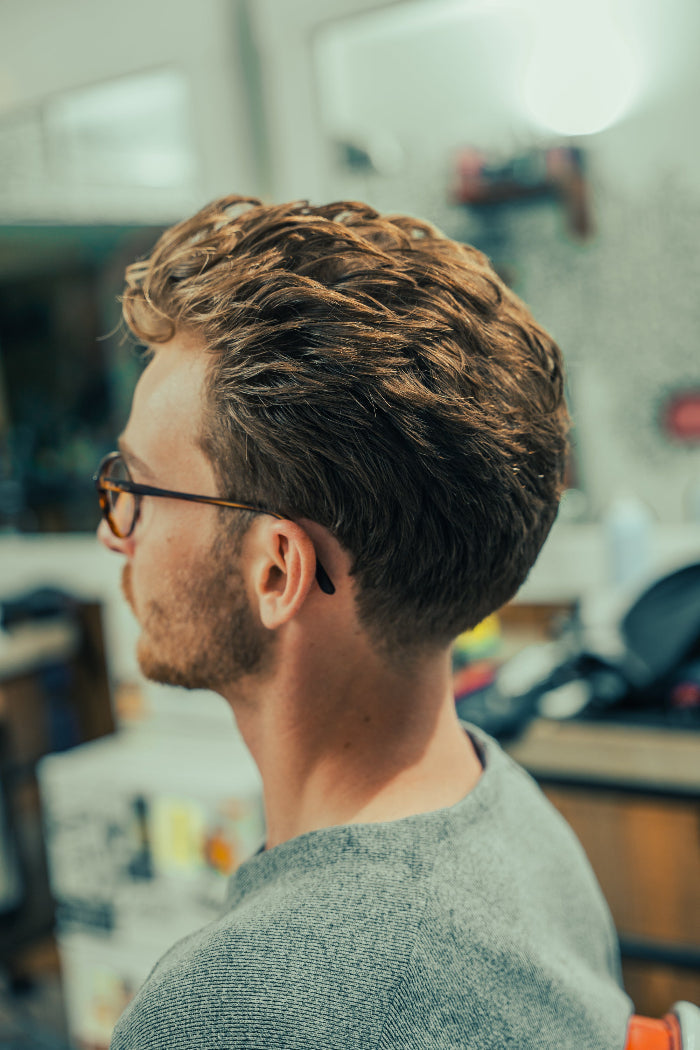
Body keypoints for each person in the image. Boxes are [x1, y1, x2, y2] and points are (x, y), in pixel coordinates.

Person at [96, 195, 632, 1049]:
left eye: (136, 486)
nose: (113, 531)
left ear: (277, 570)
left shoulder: (229, 1009)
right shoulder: (518, 819)